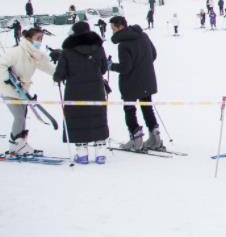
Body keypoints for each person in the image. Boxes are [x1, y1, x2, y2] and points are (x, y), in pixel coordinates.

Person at [53, 22, 109, 165]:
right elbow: (103, 69)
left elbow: (60, 73)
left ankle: (82, 154)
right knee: (97, 117)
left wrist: (58, 77)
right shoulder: (98, 47)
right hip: (96, 89)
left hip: (74, 90)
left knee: (77, 118)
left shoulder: (67, 50)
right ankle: (100, 153)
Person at [108, 16, 162, 151]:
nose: (112, 31)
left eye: (113, 28)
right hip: (147, 79)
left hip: (131, 83)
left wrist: (111, 66)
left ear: (120, 26)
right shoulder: (143, 36)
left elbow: (125, 68)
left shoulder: (123, 45)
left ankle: (136, 140)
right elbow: (153, 54)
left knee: (129, 110)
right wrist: (143, 65)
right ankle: (155, 138)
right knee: (147, 107)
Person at [0, 27, 55, 155]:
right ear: (29, 38)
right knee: (19, 117)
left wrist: (60, 74)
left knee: (22, 117)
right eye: (38, 38)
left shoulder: (34, 54)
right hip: (8, 88)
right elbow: (1, 64)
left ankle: (20, 143)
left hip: (21, 90)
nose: (40, 41)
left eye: (41, 38)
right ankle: (15, 145)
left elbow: (47, 67)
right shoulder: (17, 51)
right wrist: (6, 79)